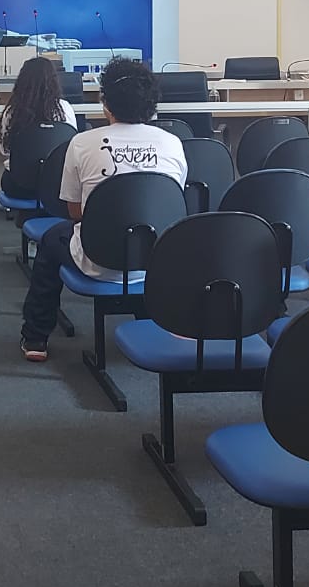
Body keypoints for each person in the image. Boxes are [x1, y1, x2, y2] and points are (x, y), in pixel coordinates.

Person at [19, 57, 187, 362]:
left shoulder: (82, 143)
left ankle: (35, 338)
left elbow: (74, 212)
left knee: (51, 240)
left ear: (105, 103)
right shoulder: (173, 143)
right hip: (155, 260)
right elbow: (171, 205)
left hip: (97, 258)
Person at [0, 57, 79, 191]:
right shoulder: (64, 109)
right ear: (54, 81)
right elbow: (71, 146)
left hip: (18, 185)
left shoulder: (13, 111)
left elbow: (5, 150)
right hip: (57, 185)